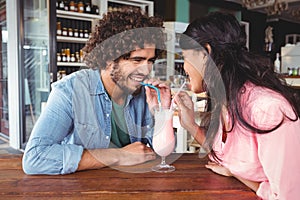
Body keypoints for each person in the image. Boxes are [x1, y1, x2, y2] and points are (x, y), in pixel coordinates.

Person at [22, 8, 171, 175]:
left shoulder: (145, 94)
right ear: (109, 58)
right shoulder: (70, 91)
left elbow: (160, 154)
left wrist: (161, 112)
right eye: (137, 60)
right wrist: (119, 156)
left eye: (150, 61)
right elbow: (35, 157)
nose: (146, 70)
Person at [174, 11, 300, 199]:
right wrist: (190, 125)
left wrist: (236, 175)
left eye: (185, 57)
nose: (184, 66)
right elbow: (224, 154)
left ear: (205, 53)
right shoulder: (226, 100)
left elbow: (289, 195)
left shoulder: (268, 109)